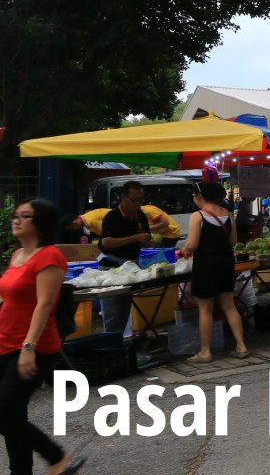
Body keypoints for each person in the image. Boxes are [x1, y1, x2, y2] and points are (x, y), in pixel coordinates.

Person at [0, 197, 84, 475]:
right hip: (5, 341)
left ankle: (57, 457)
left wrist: (28, 346)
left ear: (41, 223)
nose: (17, 219)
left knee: (6, 413)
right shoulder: (17, 255)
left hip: (32, 346)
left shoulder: (49, 256)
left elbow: (44, 304)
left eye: (25, 216)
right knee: (13, 413)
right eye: (16, 215)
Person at [182, 182, 250, 363]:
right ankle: (242, 346)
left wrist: (185, 250)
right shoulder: (228, 214)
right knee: (229, 305)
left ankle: (205, 351)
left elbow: (192, 244)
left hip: (206, 264)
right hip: (226, 262)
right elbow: (234, 240)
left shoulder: (198, 216)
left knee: (205, 308)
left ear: (199, 196)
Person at [97, 181, 153, 333]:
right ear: (123, 197)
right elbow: (106, 243)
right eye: (134, 200)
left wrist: (148, 241)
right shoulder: (112, 216)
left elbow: (146, 240)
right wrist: (135, 238)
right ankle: (111, 347)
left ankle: (121, 344)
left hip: (130, 266)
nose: (138, 204)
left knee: (123, 310)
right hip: (111, 267)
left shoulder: (140, 216)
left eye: (141, 200)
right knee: (112, 313)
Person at [64, 204, 181, 246]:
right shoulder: (89, 219)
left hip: (171, 233)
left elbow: (165, 223)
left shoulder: (148, 210)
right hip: (164, 234)